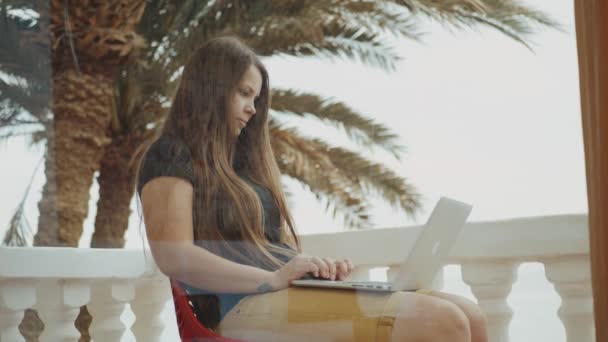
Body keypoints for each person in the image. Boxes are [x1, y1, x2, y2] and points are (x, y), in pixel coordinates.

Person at [136, 36, 488, 341]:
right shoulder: (171, 154)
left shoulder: (241, 169)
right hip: (236, 308)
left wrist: (312, 269)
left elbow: (265, 246)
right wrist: (271, 279)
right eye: (244, 93)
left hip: (281, 295)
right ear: (212, 88)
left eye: (256, 98)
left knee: (471, 316)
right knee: (441, 321)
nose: (252, 109)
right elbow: (174, 255)